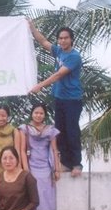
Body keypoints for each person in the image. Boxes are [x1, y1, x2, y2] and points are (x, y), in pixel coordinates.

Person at [28, 20, 83, 177]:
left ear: (71, 39)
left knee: (72, 131)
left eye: (66, 38)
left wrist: (40, 86)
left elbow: (59, 74)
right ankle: (65, 162)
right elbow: (43, 41)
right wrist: (32, 28)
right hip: (59, 98)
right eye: (60, 38)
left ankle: (77, 163)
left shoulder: (74, 57)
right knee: (60, 131)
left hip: (72, 99)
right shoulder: (59, 51)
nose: (63, 40)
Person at [19, 103, 61, 210]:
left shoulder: (50, 130)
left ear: (45, 115)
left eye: (41, 113)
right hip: (31, 166)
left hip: (46, 168)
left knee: (47, 197)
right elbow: (22, 150)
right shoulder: (25, 128)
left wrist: (57, 169)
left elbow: (55, 150)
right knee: (31, 197)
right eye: (36, 112)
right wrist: (26, 170)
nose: (38, 115)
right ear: (32, 113)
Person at [0, 104, 21, 176]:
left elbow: (17, 151)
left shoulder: (14, 131)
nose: (0, 118)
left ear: (8, 117)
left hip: (11, 166)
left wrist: (19, 167)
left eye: (3, 116)